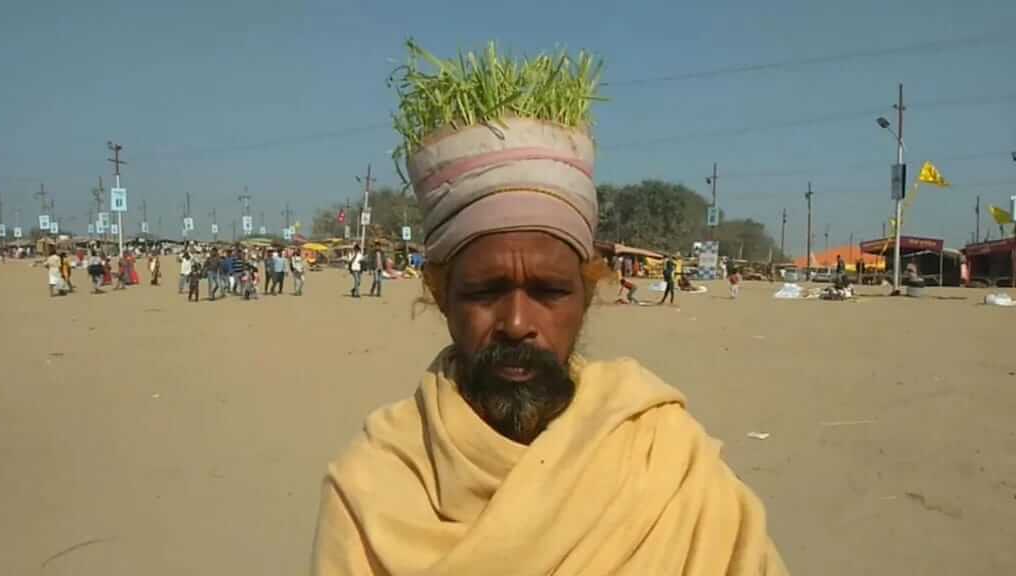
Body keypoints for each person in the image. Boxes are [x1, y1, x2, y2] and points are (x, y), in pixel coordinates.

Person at [312, 53, 784, 575]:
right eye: (486, 291)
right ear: (442, 297)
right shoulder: (376, 483)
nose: (517, 322)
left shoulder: (666, 460)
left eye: (549, 291)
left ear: (586, 298)